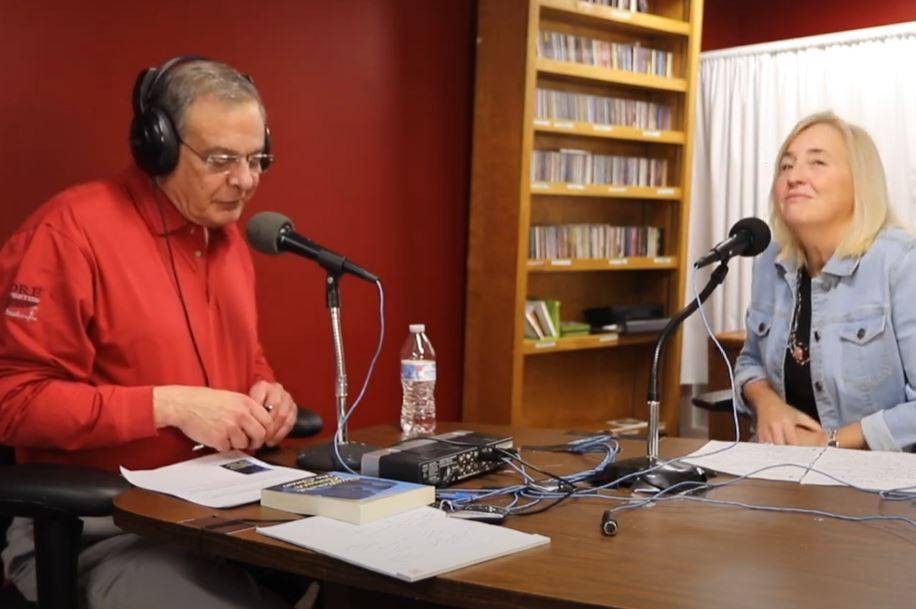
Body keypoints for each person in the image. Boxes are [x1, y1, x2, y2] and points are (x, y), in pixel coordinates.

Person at [0, 57, 303, 608]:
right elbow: (13, 402)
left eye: (257, 159)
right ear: (156, 145)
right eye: (221, 160)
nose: (245, 180)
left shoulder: (228, 239)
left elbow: (247, 359)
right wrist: (166, 405)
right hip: (103, 530)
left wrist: (266, 394)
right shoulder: (68, 233)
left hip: (222, 520)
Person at [734, 111, 916, 453]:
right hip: (785, 475)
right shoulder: (770, 260)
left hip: (883, 490)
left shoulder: (902, 264)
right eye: (786, 166)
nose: (794, 177)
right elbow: (749, 362)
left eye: (816, 163)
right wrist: (766, 403)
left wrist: (828, 442)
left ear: (860, 181)